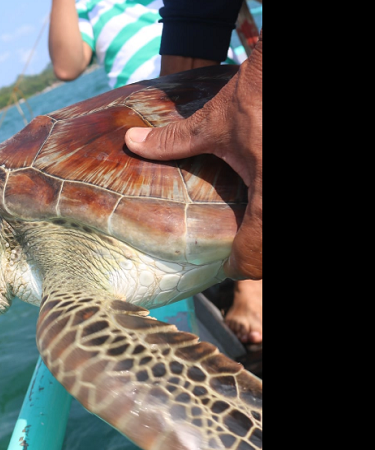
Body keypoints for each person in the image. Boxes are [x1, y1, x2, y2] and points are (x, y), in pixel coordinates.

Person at [49, 0, 262, 344]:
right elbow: (67, 65)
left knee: (240, 158)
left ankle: (251, 287)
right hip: (148, 123)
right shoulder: (89, 5)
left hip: (228, 89)